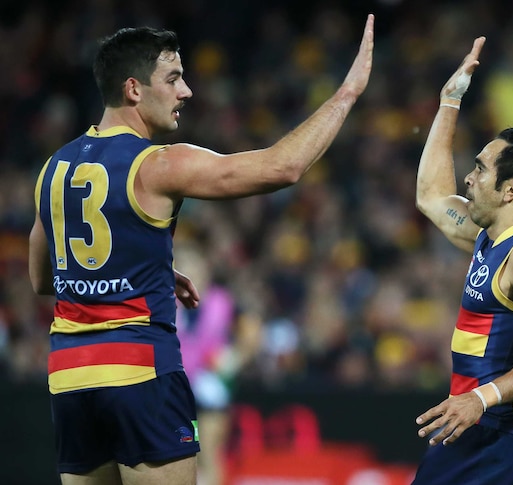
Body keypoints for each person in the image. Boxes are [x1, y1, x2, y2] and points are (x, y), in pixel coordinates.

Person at [28, 16, 374, 485]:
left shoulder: (55, 167)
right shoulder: (159, 164)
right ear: (133, 89)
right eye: (173, 79)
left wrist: (140, 268)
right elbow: (283, 168)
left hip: (69, 376)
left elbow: (43, 279)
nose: (186, 91)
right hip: (140, 373)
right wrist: (348, 93)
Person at [411, 37, 513, 485]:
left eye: (481, 168)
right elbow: (431, 196)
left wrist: (480, 399)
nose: (470, 175)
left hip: (500, 437)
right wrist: (450, 100)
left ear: (510, 189)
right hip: (471, 429)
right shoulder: (491, 233)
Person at [173, 244, 262, 485]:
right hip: (176, 388)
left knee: (209, 449)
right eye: (184, 268)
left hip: (209, 387)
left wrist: (234, 359)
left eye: (194, 268)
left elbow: (252, 331)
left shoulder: (222, 302)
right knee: (181, 452)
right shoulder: (167, 300)